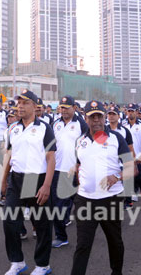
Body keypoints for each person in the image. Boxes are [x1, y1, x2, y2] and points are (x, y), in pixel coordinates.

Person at [70, 100, 131, 275]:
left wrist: (117, 176)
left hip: (110, 199)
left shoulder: (115, 138)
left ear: (104, 117)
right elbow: (78, 165)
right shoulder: (80, 140)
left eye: (99, 116)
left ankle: (116, 272)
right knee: (83, 244)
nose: (96, 120)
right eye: (92, 116)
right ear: (85, 118)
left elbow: (130, 167)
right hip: (85, 200)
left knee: (114, 241)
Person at [1, 89, 56, 275]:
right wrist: (3, 181)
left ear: (35, 106)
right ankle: (17, 261)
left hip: (37, 180)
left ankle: (43, 265)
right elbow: (10, 156)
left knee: (42, 225)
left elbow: (51, 158)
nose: (20, 106)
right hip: (16, 180)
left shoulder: (44, 128)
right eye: (19, 103)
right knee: (9, 220)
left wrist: (47, 185)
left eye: (25, 102)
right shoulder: (13, 128)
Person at [50, 95, 88, 248]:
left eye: (67, 107)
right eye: (61, 107)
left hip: (74, 170)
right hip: (57, 170)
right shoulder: (55, 124)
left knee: (71, 203)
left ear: (74, 108)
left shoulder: (81, 124)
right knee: (56, 205)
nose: (63, 110)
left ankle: (67, 235)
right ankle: (61, 236)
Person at [122, 103, 141, 204]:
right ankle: (130, 199)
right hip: (128, 155)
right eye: (129, 111)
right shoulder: (123, 124)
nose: (130, 113)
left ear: (136, 112)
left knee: (140, 177)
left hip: (138, 155)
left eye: (132, 111)